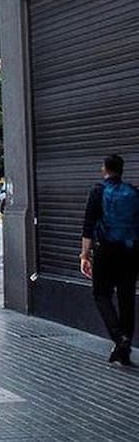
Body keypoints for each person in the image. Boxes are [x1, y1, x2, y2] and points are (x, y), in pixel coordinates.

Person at [80, 153, 139, 366]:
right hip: (131, 252)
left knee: (100, 293)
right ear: (121, 170)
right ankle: (125, 350)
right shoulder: (133, 192)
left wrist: (84, 255)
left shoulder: (97, 192)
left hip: (105, 251)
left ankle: (118, 337)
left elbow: (88, 227)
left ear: (104, 169)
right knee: (126, 299)